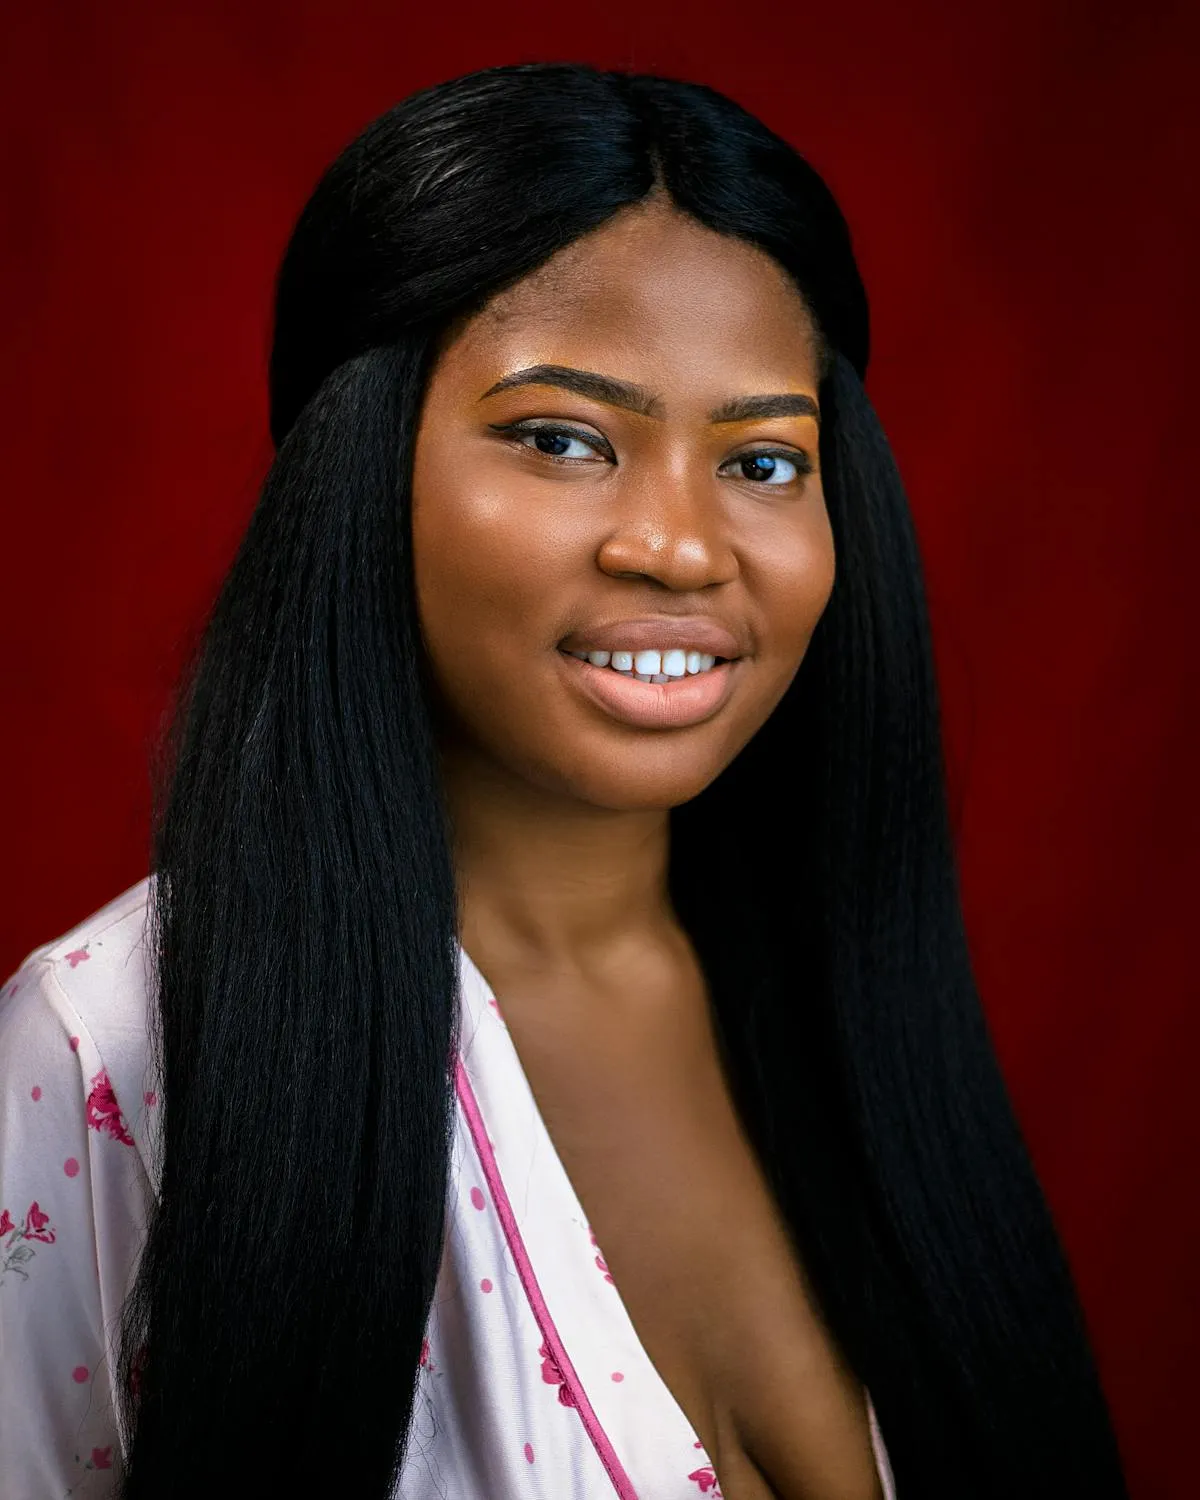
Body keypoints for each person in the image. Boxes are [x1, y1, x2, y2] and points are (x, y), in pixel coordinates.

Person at [0, 61, 1129, 1500]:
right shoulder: (110, 1052)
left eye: (765, 462)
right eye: (561, 439)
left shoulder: (846, 993)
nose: (679, 544)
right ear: (359, 469)